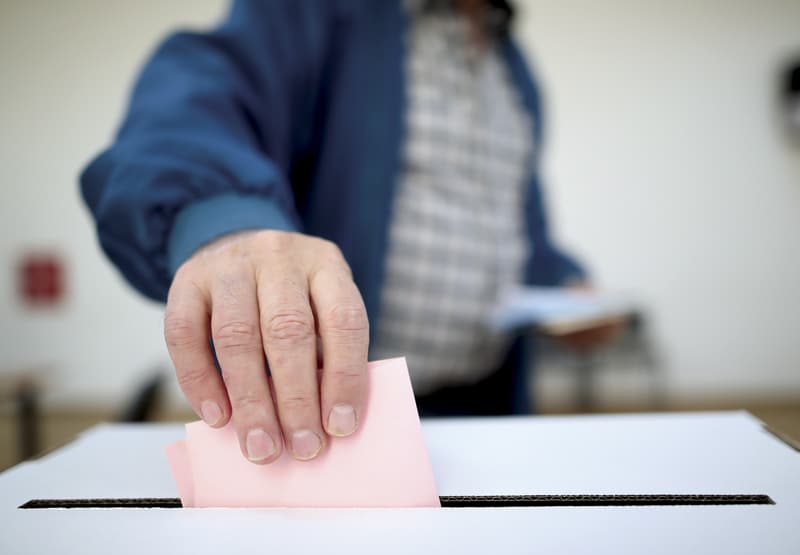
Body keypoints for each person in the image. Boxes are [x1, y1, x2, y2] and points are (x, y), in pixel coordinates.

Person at [81, 0, 615, 465]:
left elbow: (513, 222)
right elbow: (195, 100)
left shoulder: (513, 71)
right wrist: (226, 223)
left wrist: (564, 286)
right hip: (342, 428)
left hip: (490, 408)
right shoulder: (324, 10)